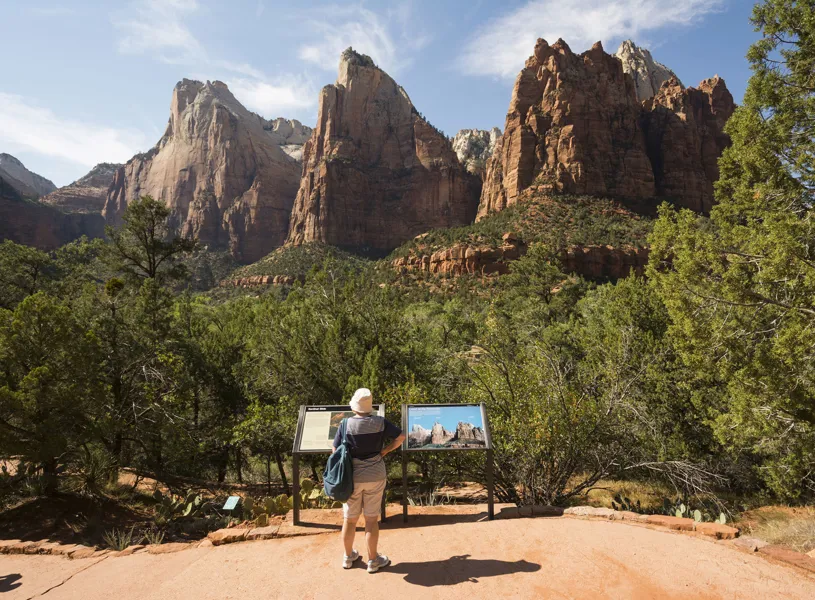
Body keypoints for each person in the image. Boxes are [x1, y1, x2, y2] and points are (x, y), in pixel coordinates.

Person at [333, 387, 405, 573]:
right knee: (372, 520)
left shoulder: (345, 424)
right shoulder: (380, 422)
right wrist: (386, 450)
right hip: (375, 474)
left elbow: (335, 451)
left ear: (355, 407)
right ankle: (373, 561)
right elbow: (401, 437)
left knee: (349, 520)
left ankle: (348, 557)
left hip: (352, 477)